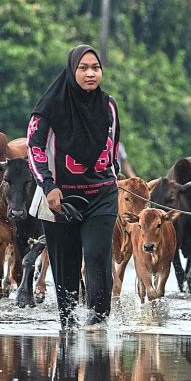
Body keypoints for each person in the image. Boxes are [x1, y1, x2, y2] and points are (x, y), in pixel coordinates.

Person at [27, 44, 122, 329]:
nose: (91, 74)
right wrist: (48, 185)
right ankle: (68, 326)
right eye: (83, 68)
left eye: (96, 68)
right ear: (72, 71)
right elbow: (34, 148)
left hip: (101, 194)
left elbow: (113, 149)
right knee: (65, 268)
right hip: (59, 198)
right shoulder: (48, 108)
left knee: (96, 254)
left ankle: (98, 323)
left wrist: (112, 175)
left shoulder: (108, 106)